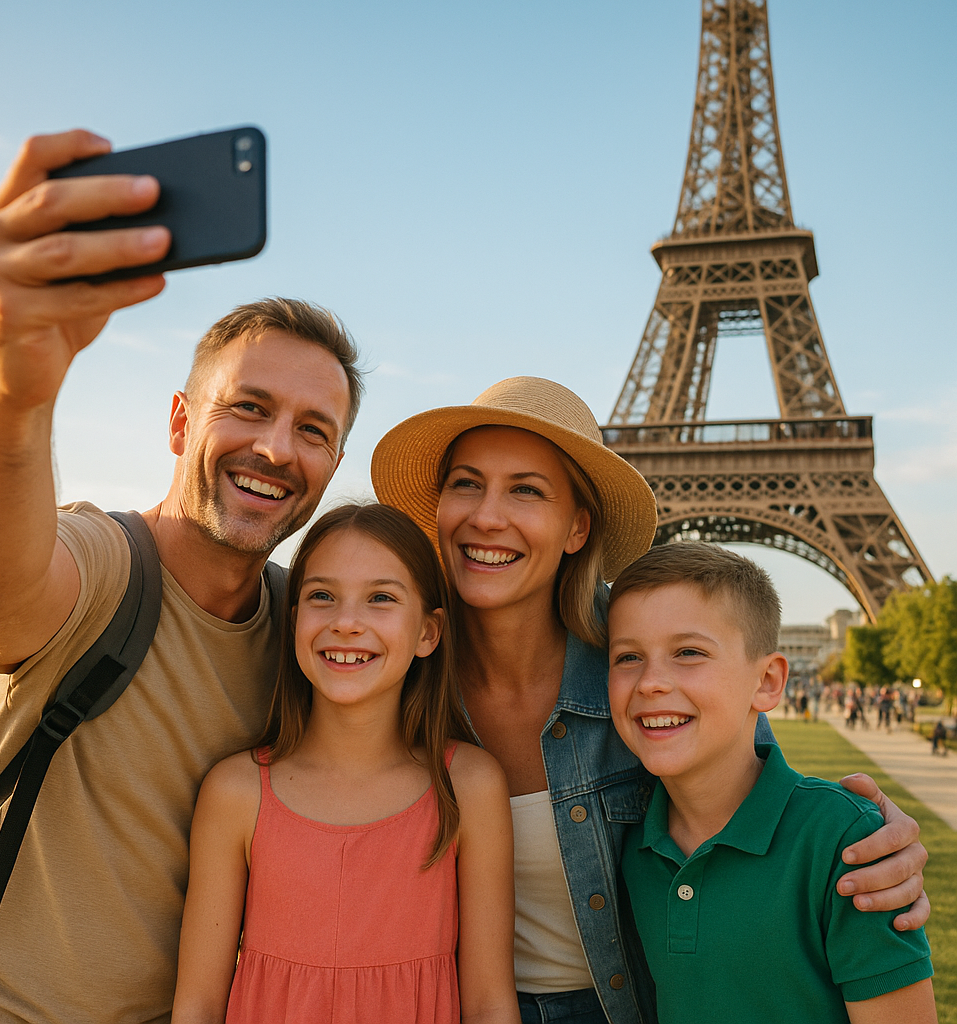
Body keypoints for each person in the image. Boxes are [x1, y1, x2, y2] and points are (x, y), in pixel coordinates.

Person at [0, 131, 363, 1022]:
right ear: (179, 421)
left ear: (335, 462)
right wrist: (11, 383)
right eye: (248, 407)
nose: (277, 448)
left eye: (314, 430)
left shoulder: (312, 633)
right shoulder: (99, 566)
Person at [371, 376, 931, 1024]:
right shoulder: (393, 665)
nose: (487, 515)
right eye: (466, 483)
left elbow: (747, 788)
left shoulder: (639, 650)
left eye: (527, 489)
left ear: (577, 526)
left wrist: (864, 844)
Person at [171, 503, 519, 1024]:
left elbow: (491, 1005)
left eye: (380, 598)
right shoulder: (237, 792)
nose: (347, 623)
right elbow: (197, 1006)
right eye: (322, 596)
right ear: (294, 623)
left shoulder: (467, 786)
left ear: (428, 632)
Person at [607, 543, 935, 1024]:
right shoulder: (630, 843)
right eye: (627, 657)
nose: (651, 681)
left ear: (767, 681)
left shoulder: (844, 841)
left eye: (689, 652)